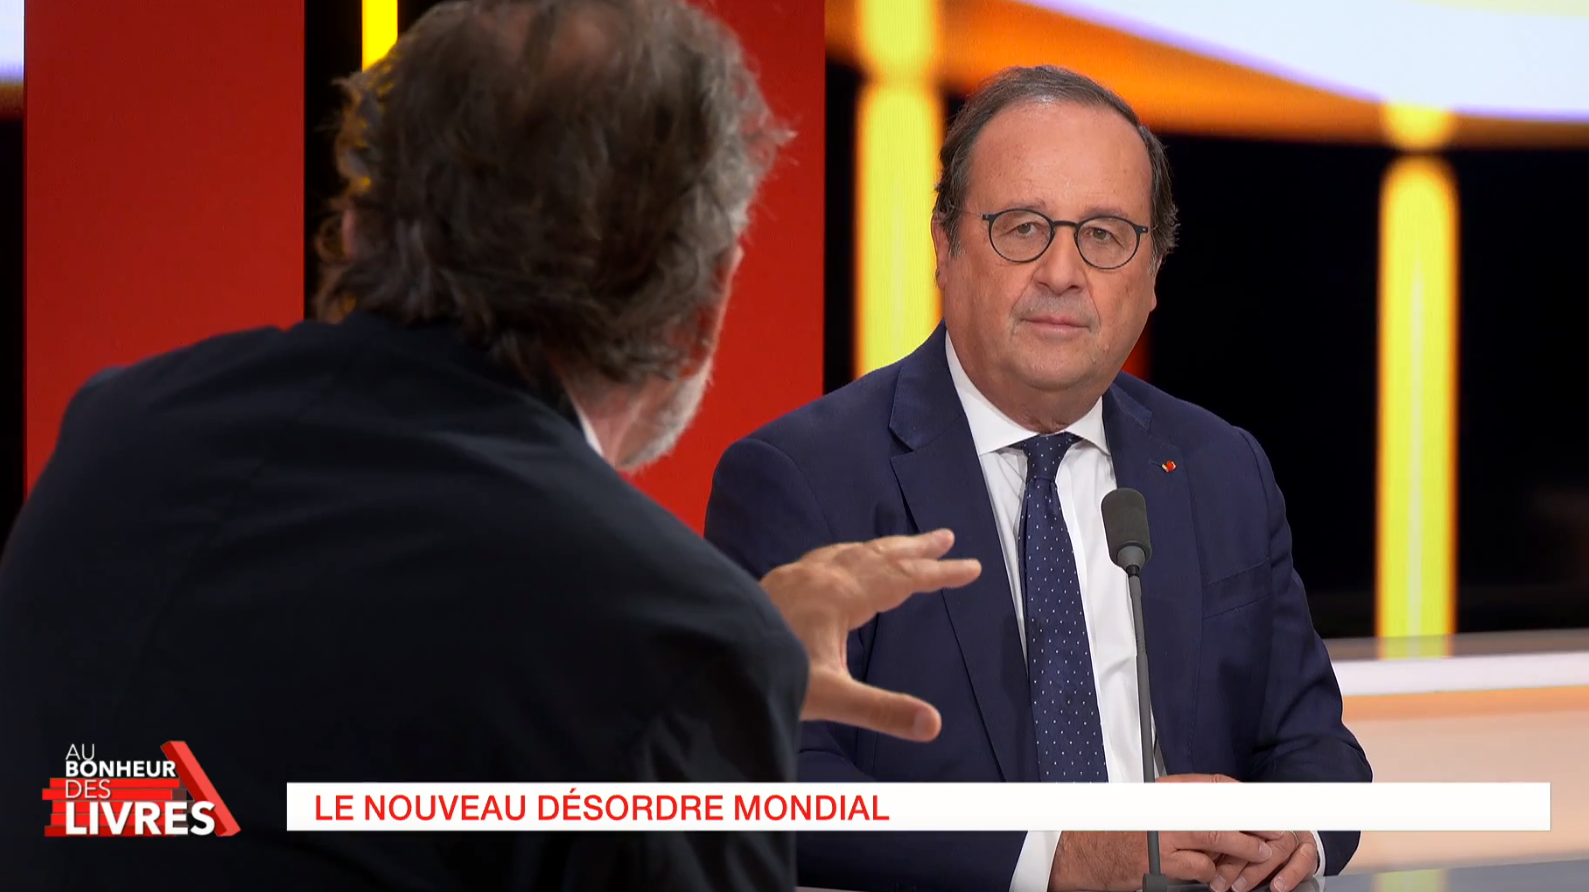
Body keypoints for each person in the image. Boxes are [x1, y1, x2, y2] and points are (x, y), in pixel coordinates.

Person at [0, 1, 975, 890]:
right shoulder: (661, 643)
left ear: (356, 223)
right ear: (702, 301)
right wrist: (710, 685)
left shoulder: (117, 434)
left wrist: (712, 680)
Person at [705, 65, 1373, 892]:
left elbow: (1313, 745)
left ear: (1151, 275)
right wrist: (1057, 855)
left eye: (1104, 235)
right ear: (944, 246)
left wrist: (1296, 830)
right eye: (1022, 228)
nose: (1061, 271)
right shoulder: (802, 478)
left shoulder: (1221, 465)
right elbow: (770, 782)